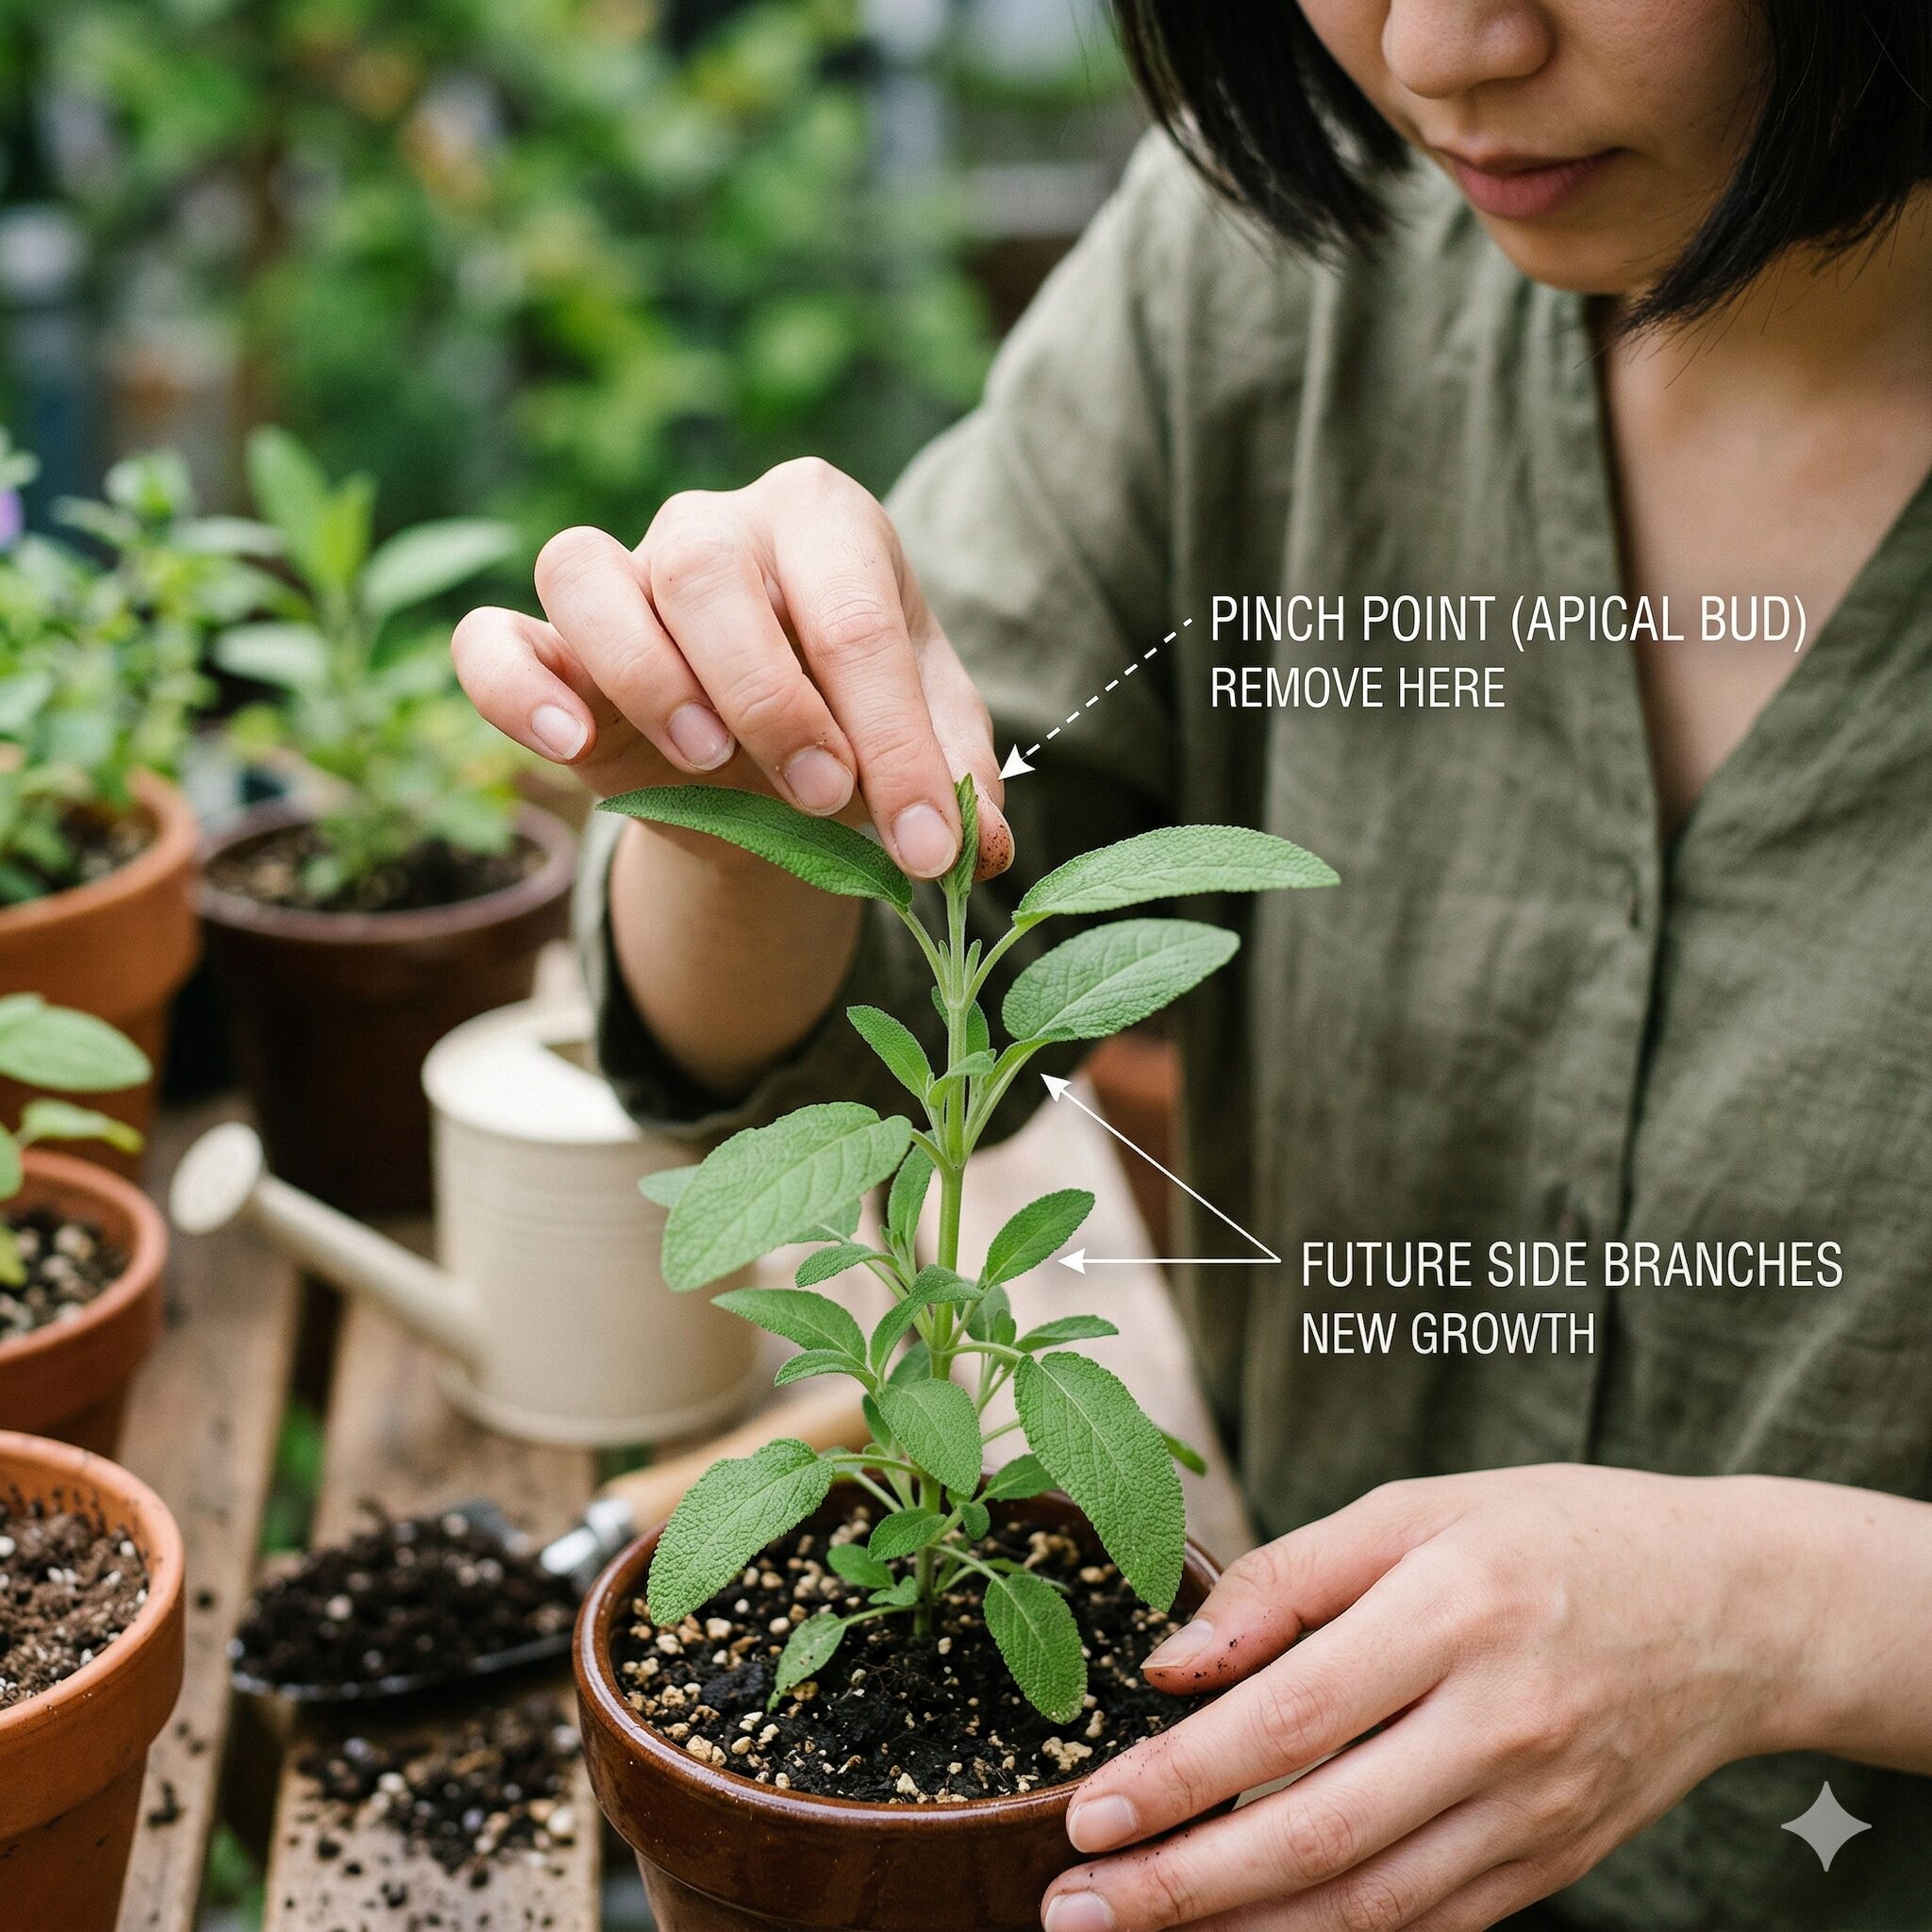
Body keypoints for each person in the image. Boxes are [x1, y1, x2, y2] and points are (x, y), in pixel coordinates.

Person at [454, 4, 1932, 1926]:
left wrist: (1785, 1613)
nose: (1438, 48)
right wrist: (747, 803)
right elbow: (845, 1036)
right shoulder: (1279, 258)